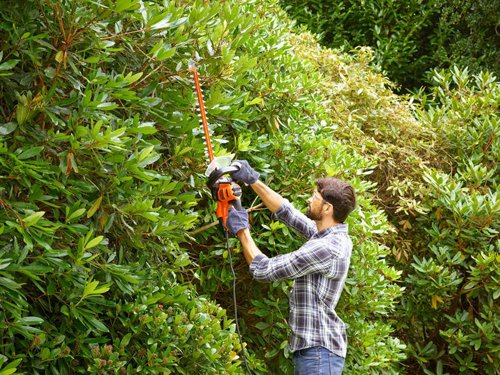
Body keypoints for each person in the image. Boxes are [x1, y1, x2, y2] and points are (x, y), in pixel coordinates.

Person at [227, 160, 356, 375]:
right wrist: (253, 180)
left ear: (327, 208)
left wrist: (242, 229)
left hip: (318, 354)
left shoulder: (326, 248)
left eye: (314, 197)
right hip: (316, 352)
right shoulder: (331, 235)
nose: (309, 199)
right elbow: (288, 213)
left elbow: (263, 270)